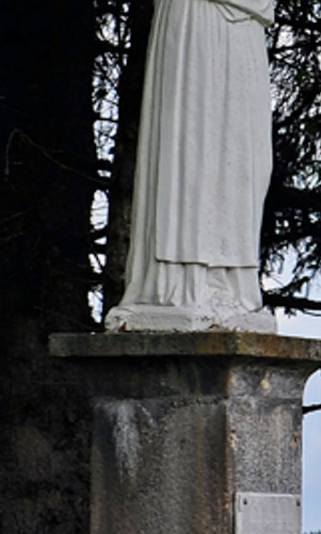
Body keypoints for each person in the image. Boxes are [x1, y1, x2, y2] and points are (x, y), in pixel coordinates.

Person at [106, 0, 277, 333]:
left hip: (245, 28)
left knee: (241, 150)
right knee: (193, 142)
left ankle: (230, 284)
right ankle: (181, 282)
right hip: (196, 18)